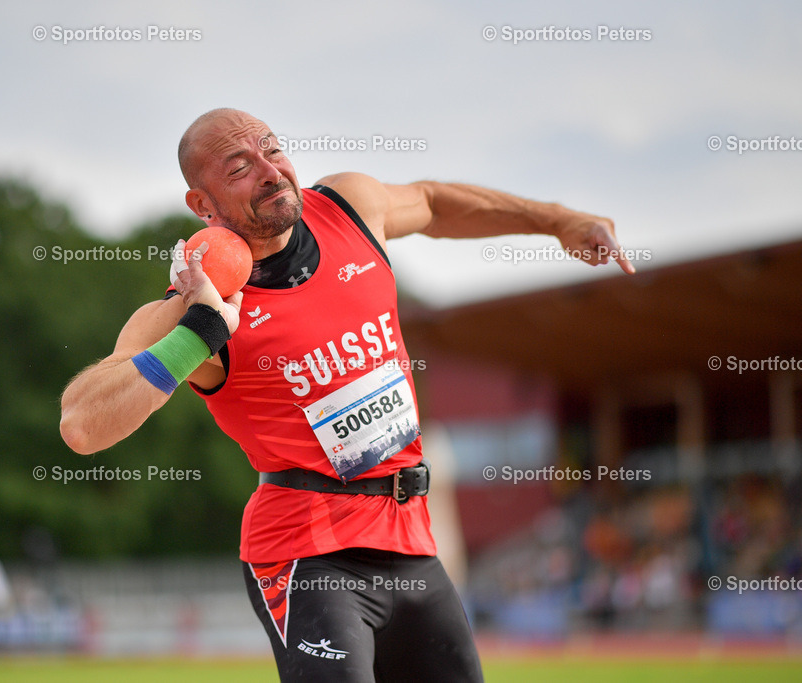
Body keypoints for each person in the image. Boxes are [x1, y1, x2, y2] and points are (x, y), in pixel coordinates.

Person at [59, 108, 635, 682]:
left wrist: (558, 221)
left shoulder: (348, 208)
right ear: (202, 205)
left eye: (272, 148)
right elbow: (82, 425)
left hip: (410, 541)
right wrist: (200, 333)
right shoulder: (194, 309)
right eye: (239, 167)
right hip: (307, 555)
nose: (270, 171)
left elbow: (435, 203)